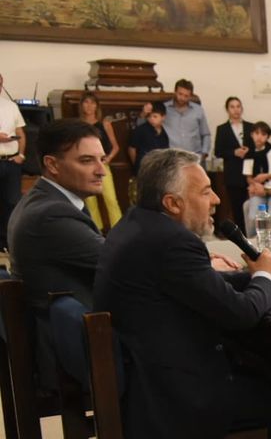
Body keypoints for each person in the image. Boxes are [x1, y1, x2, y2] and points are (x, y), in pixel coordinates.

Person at [94, 148, 271, 439]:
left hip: (146, 382)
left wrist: (263, 277)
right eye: (206, 191)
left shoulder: (138, 226)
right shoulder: (173, 243)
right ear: (173, 203)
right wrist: (262, 277)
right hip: (173, 398)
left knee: (256, 371)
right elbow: (241, 315)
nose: (215, 200)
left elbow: (198, 287)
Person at [8, 119, 105, 316]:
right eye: (87, 160)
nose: (101, 171)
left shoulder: (41, 199)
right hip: (79, 337)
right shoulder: (51, 215)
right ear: (52, 164)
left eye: (101, 159)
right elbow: (121, 263)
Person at [78, 91, 122, 230]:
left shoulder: (104, 124)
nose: (89, 106)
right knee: (90, 201)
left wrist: (107, 159)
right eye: (86, 102)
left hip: (102, 165)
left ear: (97, 106)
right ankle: (96, 229)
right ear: (81, 105)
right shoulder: (78, 125)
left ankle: (118, 229)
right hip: (85, 166)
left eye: (92, 103)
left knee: (110, 198)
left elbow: (115, 146)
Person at [214, 96, 254, 230]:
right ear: (227, 110)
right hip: (233, 173)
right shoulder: (222, 129)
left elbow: (258, 147)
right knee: (237, 208)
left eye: (238, 106)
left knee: (252, 206)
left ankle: (253, 233)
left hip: (251, 173)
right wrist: (234, 152)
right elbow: (218, 151)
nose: (236, 110)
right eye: (232, 107)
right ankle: (242, 235)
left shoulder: (251, 127)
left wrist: (249, 150)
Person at [0, 72, 26, 250]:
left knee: (11, 202)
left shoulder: (11, 106)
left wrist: (21, 155)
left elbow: (21, 134)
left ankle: (6, 242)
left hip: (11, 162)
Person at [152, 79, 211, 159]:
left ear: (190, 96)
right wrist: (144, 114)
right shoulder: (164, 108)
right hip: (171, 157)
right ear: (175, 92)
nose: (182, 98)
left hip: (193, 157)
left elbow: (205, 134)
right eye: (180, 94)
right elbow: (149, 125)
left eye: (186, 96)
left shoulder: (198, 110)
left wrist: (204, 153)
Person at [242, 121, 271, 223]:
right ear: (252, 135)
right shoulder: (249, 154)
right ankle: (253, 239)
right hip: (258, 190)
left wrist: (266, 176)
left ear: (267, 137)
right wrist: (255, 184)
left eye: (263, 134)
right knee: (254, 217)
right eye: (257, 133)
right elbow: (248, 177)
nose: (259, 137)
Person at [128, 101, 170, 172]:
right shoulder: (141, 129)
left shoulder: (164, 133)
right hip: (144, 167)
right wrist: (137, 166)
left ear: (163, 117)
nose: (151, 119)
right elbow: (131, 149)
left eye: (155, 116)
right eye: (149, 116)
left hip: (159, 169)